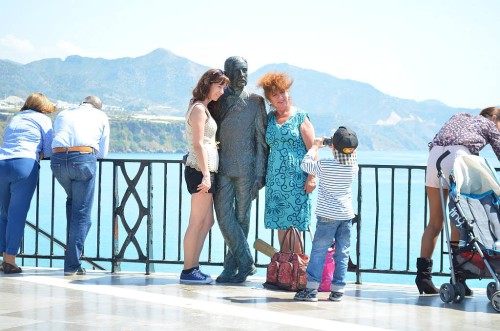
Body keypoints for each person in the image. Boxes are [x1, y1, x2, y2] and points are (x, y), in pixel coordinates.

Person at [417, 107, 500, 295]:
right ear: (495, 118)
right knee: (458, 217)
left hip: (434, 158)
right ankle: (458, 277)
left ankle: (423, 277)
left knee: (435, 222)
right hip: (458, 158)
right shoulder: (489, 124)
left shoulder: (459, 116)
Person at [210, 56, 268, 283]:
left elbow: (261, 142)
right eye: (238, 71)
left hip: (247, 170)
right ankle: (246, 263)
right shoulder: (218, 101)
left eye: (245, 71)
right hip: (223, 168)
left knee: (242, 219)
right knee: (224, 218)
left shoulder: (255, 102)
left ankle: (230, 268)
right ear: (227, 74)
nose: (243, 75)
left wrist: (260, 174)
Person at [294, 126, 359, 302]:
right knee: (342, 253)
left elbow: (305, 164)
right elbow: (346, 155)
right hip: (346, 216)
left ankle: (311, 290)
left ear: (333, 148)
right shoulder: (354, 167)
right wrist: (336, 146)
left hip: (327, 217)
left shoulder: (325, 165)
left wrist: (315, 147)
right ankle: (338, 290)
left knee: (319, 252)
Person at [256, 72, 316, 252]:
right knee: (281, 225)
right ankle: (286, 269)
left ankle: (299, 271)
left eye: (282, 92)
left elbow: (313, 149)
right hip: (275, 181)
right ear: (269, 100)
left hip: (297, 180)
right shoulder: (270, 119)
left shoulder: (300, 117)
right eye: (275, 94)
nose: (280, 97)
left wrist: (311, 177)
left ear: (288, 92)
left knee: (294, 228)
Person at [51, 96, 110, 276]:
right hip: (83, 161)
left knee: (73, 204)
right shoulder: (100, 116)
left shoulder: (63, 114)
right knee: (83, 215)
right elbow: (103, 152)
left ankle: (72, 256)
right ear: (98, 107)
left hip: (58, 161)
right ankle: (72, 264)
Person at [180, 69, 229, 284]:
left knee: (207, 220)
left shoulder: (204, 108)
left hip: (205, 171)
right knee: (197, 221)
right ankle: (189, 269)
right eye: (219, 86)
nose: (222, 91)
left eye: (224, 87)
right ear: (208, 84)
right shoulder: (199, 109)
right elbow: (198, 143)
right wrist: (207, 175)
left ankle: (194, 267)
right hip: (200, 171)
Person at [0, 93, 55, 274]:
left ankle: (2, 257)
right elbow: (48, 149)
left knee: (3, 214)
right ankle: (10, 261)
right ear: (43, 107)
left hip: (2, 163)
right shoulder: (42, 119)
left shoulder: (15, 119)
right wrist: (40, 154)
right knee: (17, 215)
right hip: (24, 164)